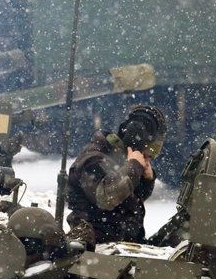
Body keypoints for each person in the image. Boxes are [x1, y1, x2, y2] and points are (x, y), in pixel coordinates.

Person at [66, 105, 167, 244]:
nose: (150, 156)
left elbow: (129, 201)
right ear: (138, 139)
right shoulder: (94, 160)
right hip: (95, 248)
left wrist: (145, 179)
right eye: (151, 147)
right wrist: (134, 167)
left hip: (122, 245)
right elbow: (106, 197)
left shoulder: (120, 158)